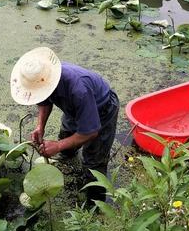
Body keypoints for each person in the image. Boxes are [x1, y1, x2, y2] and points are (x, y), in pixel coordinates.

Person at [10, 47, 119, 203]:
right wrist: (40, 126)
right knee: (67, 135)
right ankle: (68, 163)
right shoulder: (44, 77)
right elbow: (44, 101)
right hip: (73, 107)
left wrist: (58, 146)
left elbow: (90, 132)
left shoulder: (78, 90)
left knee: (93, 162)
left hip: (102, 109)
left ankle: (95, 204)